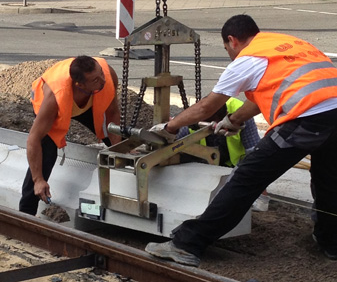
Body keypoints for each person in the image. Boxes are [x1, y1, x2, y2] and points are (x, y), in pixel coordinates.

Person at [146, 14, 337, 265]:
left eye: (227, 49)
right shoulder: (285, 44)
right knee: (329, 179)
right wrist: (234, 120)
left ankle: (187, 244)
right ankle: (331, 242)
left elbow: (206, 108)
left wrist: (169, 127)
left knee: (247, 179)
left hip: (306, 116)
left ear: (232, 40)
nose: (229, 53)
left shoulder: (247, 59)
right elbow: (267, 93)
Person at [19, 55, 121, 216]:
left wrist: (119, 148)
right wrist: (38, 179)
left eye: (100, 73)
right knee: (47, 155)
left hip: (87, 101)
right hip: (58, 104)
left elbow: (113, 113)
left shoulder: (107, 76)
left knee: (115, 140)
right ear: (79, 84)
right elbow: (33, 139)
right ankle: (26, 213)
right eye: (95, 79)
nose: (102, 80)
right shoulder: (54, 97)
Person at [177, 97, 270, 212]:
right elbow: (174, 142)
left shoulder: (241, 112)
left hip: (235, 169)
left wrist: (261, 192)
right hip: (205, 167)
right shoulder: (195, 117)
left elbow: (254, 153)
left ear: (226, 116)